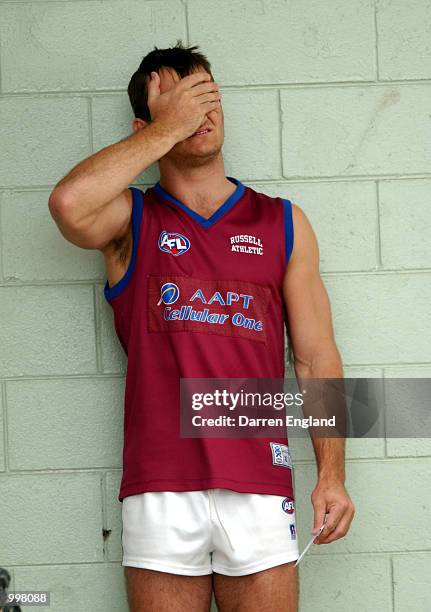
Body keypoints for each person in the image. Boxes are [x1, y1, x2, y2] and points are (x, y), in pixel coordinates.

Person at [48, 41, 355, 612]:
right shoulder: (131, 220)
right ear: (149, 124)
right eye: (184, 102)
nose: (202, 112)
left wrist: (331, 475)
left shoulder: (282, 222)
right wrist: (167, 130)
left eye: (209, 96)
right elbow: (68, 204)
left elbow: (316, 359)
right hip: (160, 484)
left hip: (260, 484)